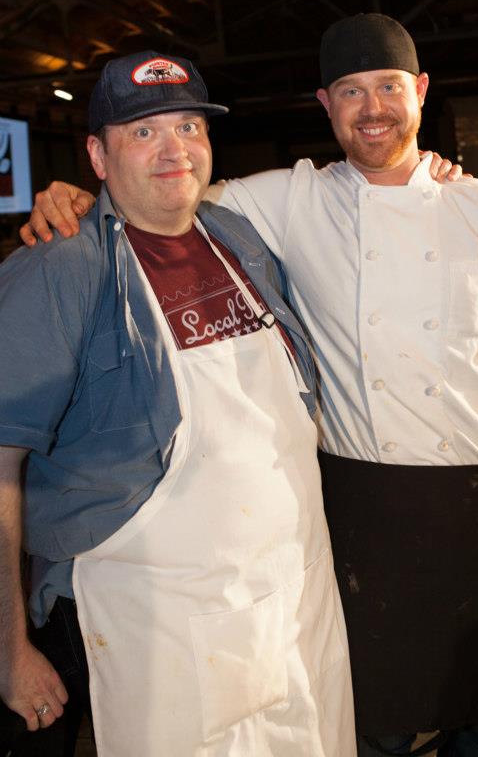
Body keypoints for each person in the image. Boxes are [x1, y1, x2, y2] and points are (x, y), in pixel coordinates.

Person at [20, 16, 478, 757]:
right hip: (357, 501)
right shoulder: (288, 198)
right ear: (326, 105)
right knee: (372, 716)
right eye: (351, 91)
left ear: (421, 92)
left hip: (477, 496)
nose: (373, 109)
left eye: (389, 87)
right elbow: (168, 189)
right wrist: (76, 197)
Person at [0, 51, 357, 757]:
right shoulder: (59, 269)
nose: (175, 150)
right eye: (144, 132)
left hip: (292, 592)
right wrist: (9, 648)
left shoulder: (238, 239)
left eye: (189, 127)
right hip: (155, 619)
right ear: (97, 156)